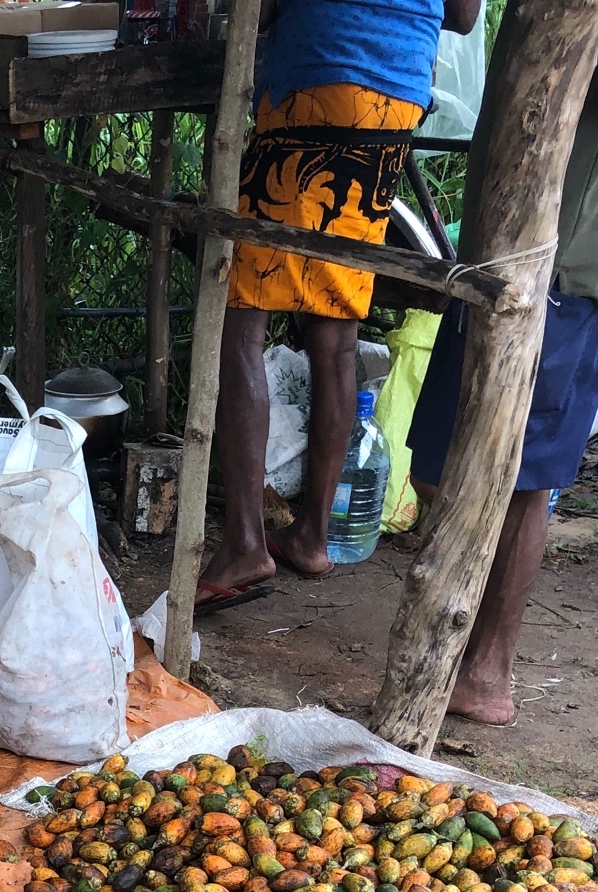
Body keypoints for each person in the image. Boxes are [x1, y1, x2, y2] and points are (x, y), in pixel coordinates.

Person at [406, 0, 598, 724]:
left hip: (564, 265)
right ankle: (456, 640)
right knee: (442, 458)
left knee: (522, 476)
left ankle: (487, 671)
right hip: (508, 254)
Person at [198, 0, 481, 611]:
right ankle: (312, 536)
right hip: (393, 100)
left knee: (239, 317)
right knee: (336, 330)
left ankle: (246, 541)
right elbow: (462, 15)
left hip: (319, 75)